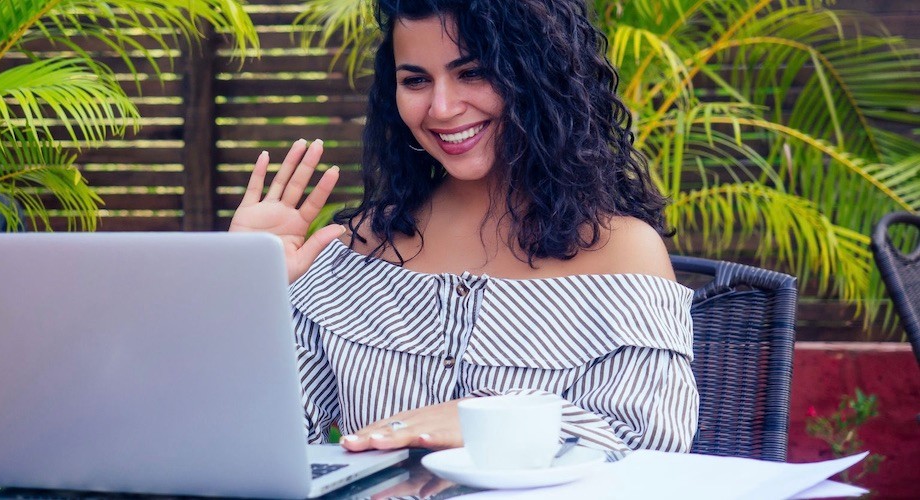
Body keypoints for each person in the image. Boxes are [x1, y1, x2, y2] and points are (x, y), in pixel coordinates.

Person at [229, 0, 698, 455]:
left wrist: (490, 422)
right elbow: (258, 439)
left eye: (472, 72)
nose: (442, 107)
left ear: (539, 76)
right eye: (415, 80)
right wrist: (243, 297)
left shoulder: (624, 251)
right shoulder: (355, 250)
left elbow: (651, 443)